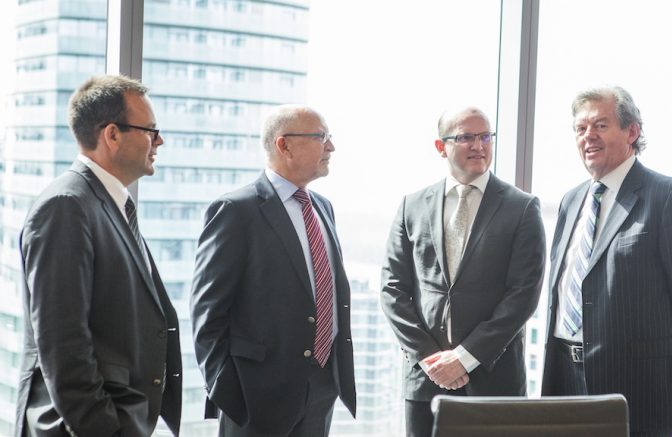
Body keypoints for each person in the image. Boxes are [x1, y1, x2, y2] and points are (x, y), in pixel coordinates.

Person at [541, 86, 672, 437]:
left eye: (601, 125)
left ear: (632, 131)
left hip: (638, 389)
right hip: (564, 379)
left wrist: (667, 370)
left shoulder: (669, 196)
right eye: (580, 128)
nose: (588, 135)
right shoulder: (570, 201)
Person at [15, 75, 182, 436]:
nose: (160, 141)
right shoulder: (66, 206)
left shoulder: (109, 202)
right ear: (112, 134)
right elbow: (64, 349)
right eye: (151, 130)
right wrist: (107, 429)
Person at [190, 104, 356, 437]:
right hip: (255, 397)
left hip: (321, 391)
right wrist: (229, 392)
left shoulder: (323, 207)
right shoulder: (236, 210)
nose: (331, 147)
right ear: (284, 145)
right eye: (321, 137)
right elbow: (207, 314)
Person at [381, 107, 546, 437]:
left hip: (493, 380)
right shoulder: (411, 205)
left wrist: (465, 357)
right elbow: (392, 289)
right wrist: (431, 359)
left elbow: (523, 296)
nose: (479, 145)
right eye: (466, 137)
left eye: (486, 136)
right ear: (441, 147)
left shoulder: (522, 207)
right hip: (426, 379)